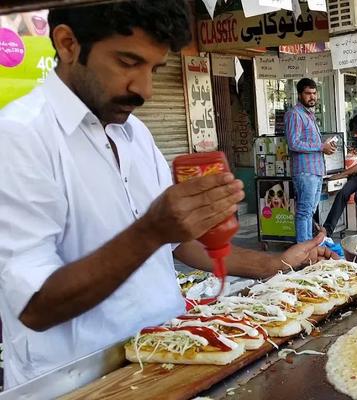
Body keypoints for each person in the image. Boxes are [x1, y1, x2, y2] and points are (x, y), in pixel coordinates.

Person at [0, 1, 334, 388]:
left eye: (154, 68)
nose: (145, 89)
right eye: (128, 62)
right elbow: (34, 305)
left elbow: (177, 243)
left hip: (172, 356)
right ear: (67, 43)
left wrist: (273, 266)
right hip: (82, 383)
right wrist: (150, 230)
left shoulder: (134, 134)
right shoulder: (18, 138)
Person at [285, 78, 336, 243]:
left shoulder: (309, 115)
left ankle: (308, 247)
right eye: (308, 93)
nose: (312, 97)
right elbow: (294, 143)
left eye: (314, 93)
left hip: (315, 170)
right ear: (300, 94)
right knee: (304, 212)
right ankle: (303, 250)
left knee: (309, 211)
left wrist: (325, 147)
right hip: (305, 172)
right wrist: (321, 147)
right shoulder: (295, 114)